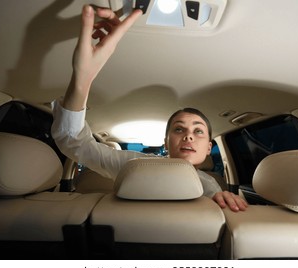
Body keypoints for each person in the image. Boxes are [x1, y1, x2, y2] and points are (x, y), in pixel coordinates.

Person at [51, 5, 248, 212]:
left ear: (209, 147)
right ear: (166, 142)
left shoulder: (213, 188)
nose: (188, 137)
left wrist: (226, 202)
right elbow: (73, 141)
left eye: (198, 131)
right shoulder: (136, 166)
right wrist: (83, 77)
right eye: (179, 129)